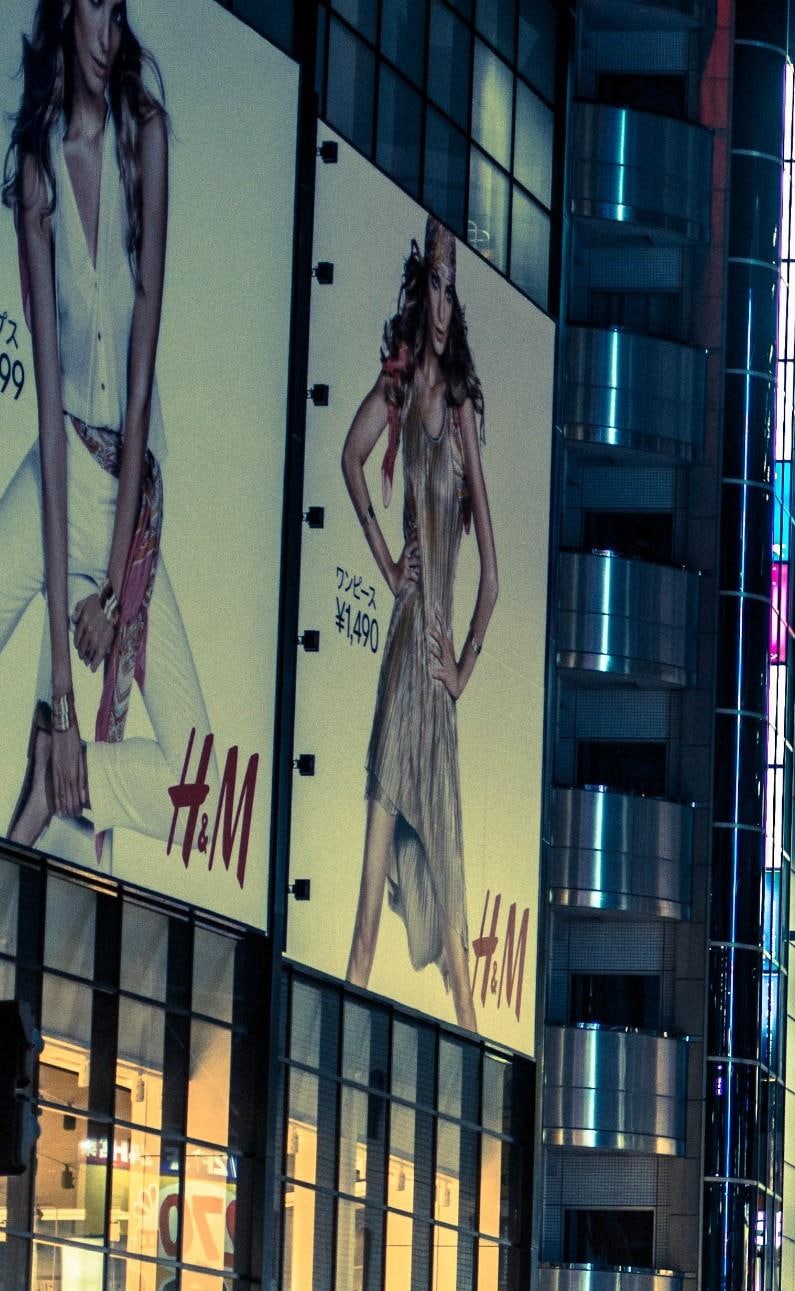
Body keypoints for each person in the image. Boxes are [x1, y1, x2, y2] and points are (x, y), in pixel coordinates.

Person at [0, 0, 218, 874]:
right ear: (64, 12)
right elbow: (49, 423)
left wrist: (118, 596)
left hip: (131, 496)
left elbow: (140, 377)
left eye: (121, 13)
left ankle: (72, 783)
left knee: (203, 787)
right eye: (95, 6)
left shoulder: (146, 138)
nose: (108, 33)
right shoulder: (39, 169)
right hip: (60, 480)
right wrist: (61, 672)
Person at [337, 217, 502, 1032]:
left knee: (460, 928)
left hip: (432, 682)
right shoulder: (400, 389)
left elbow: (495, 579)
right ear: (419, 289)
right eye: (435, 282)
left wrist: (462, 674)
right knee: (364, 918)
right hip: (402, 657)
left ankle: (475, 1071)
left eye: (453, 285)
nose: (444, 300)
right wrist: (383, 559)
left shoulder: (462, 403)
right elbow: (349, 460)